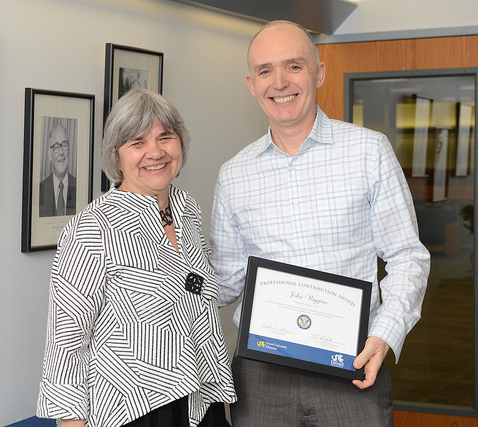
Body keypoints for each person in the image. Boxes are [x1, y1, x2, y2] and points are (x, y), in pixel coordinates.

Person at [210, 20, 430, 426]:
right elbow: (224, 282)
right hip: (261, 376)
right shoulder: (233, 175)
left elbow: (407, 256)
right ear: (251, 84)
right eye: (265, 71)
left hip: (352, 367)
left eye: (293, 66)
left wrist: (385, 334)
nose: (279, 82)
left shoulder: (369, 152)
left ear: (319, 72)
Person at [37, 89, 236, 427]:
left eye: (165, 137)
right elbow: (66, 339)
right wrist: (71, 422)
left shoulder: (187, 210)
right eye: (137, 143)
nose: (155, 152)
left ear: (181, 145)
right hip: (136, 409)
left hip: (201, 402)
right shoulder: (92, 227)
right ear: (116, 157)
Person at [39, 123, 77, 217]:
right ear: (49, 155)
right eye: (56, 147)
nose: (61, 152)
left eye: (64, 145)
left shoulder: (79, 187)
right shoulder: (40, 190)